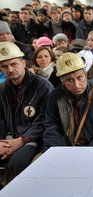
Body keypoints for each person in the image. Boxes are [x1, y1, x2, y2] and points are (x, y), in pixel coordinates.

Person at [42, 52, 93, 151]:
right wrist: (61, 150)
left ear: (85, 74)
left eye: (79, 78)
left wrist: (87, 152)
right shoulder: (56, 96)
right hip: (67, 149)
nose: (77, 85)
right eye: (70, 80)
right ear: (61, 80)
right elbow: (52, 126)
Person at [0, 42, 53, 179]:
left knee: (17, 163)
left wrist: (21, 140)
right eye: (4, 67)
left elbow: (45, 120)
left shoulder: (43, 86)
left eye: (14, 64)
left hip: (34, 139)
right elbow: (0, 119)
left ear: (23, 63)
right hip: (9, 138)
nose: (10, 69)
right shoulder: (2, 88)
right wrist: (2, 142)